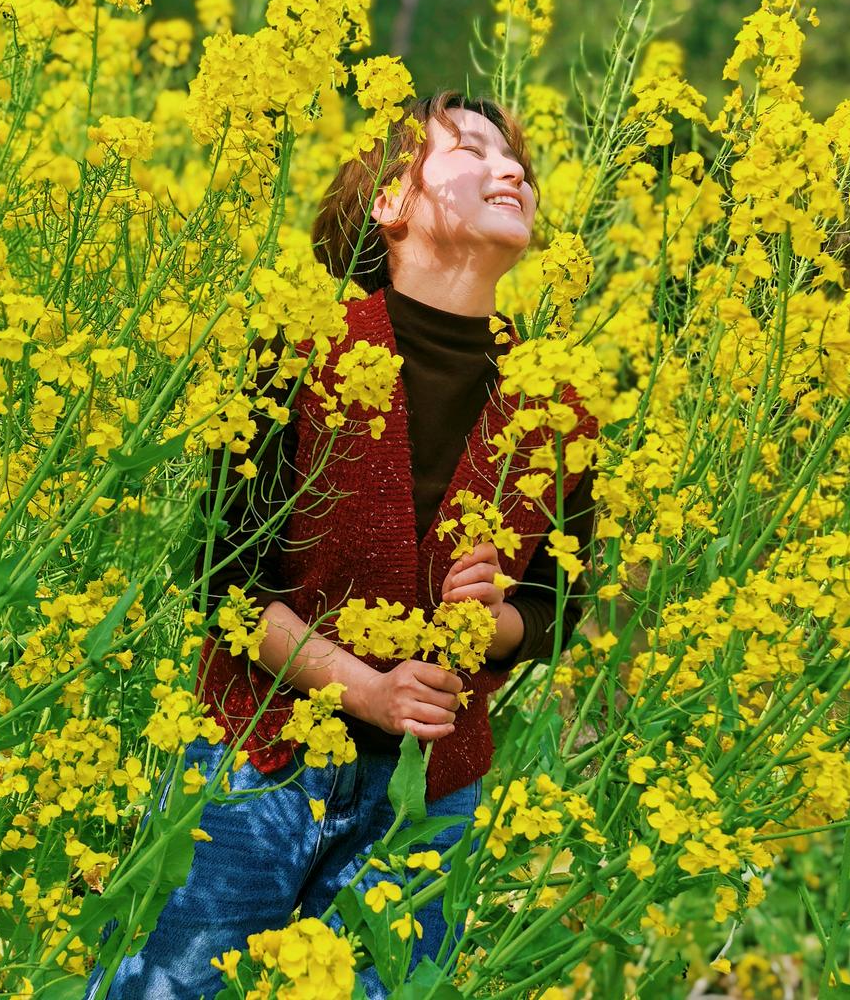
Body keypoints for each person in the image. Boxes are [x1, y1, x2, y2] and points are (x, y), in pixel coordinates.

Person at [83, 91, 598, 999]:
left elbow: (557, 606)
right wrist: (366, 689)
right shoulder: (300, 352)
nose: (511, 170)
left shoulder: (559, 401)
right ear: (390, 205)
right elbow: (223, 584)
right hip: (259, 763)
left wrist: (498, 623)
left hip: (430, 792)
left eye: (515, 159)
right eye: (471, 151)